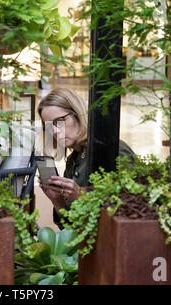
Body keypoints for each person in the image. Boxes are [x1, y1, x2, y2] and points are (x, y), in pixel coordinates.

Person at [37, 88, 135, 229]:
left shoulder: (112, 150)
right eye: (49, 126)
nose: (55, 131)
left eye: (60, 121)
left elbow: (130, 211)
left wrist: (82, 196)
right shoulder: (73, 160)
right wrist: (57, 200)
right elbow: (69, 229)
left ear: (78, 114)